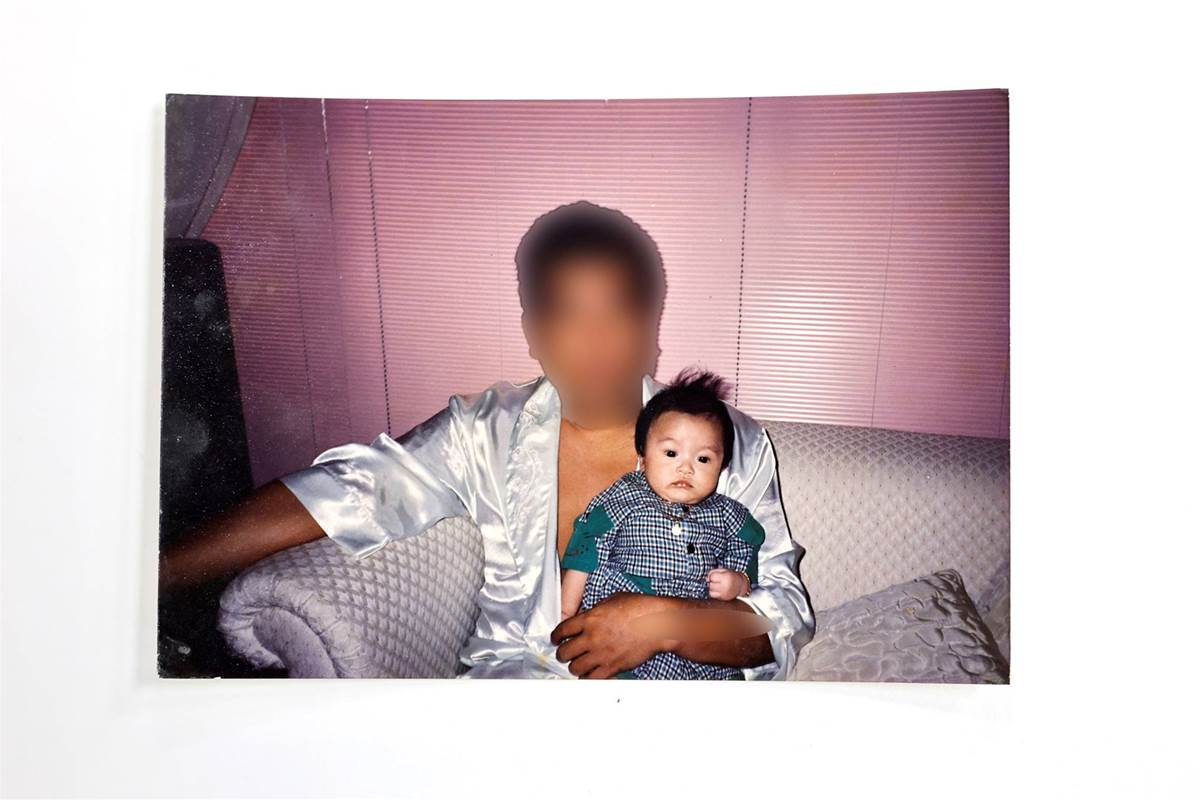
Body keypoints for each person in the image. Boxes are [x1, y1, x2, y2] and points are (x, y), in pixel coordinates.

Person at [159, 199, 816, 679]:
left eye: (620, 312)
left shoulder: (726, 441)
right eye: (568, 315)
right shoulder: (484, 433)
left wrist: (665, 622)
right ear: (532, 331)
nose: (596, 344)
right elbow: (347, 491)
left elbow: (784, 616)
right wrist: (149, 577)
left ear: (653, 323)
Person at [559, 366, 767, 679]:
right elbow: (589, 542)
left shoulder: (729, 516)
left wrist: (738, 583)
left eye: (703, 459)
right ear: (643, 457)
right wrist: (567, 609)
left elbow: (747, 556)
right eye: (671, 453)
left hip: (695, 635)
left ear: (722, 467)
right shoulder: (626, 496)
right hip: (621, 624)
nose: (686, 468)